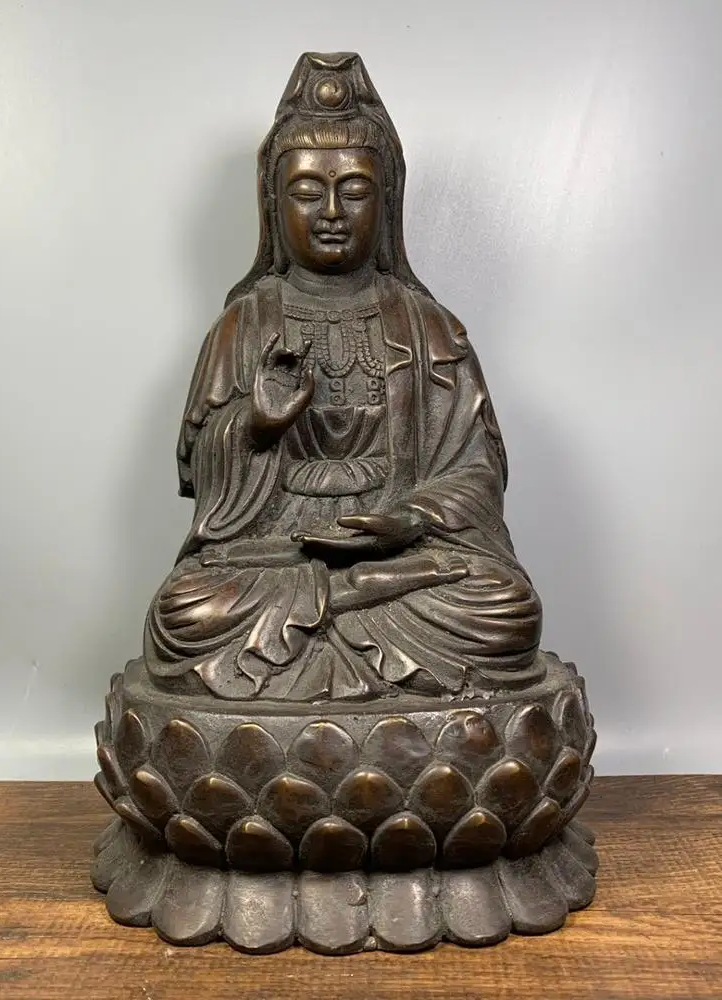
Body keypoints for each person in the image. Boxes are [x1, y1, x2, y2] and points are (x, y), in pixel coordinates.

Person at [144, 53, 543, 700]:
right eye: (307, 192)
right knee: (186, 613)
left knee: (505, 610)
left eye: (355, 191)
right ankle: (350, 596)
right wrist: (256, 428)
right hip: (276, 559)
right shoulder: (243, 325)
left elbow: (476, 474)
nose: (332, 211)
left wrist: (410, 518)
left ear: (387, 205)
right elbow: (205, 480)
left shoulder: (428, 328)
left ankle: (348, 599)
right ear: (274, 206)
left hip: (402, 554)